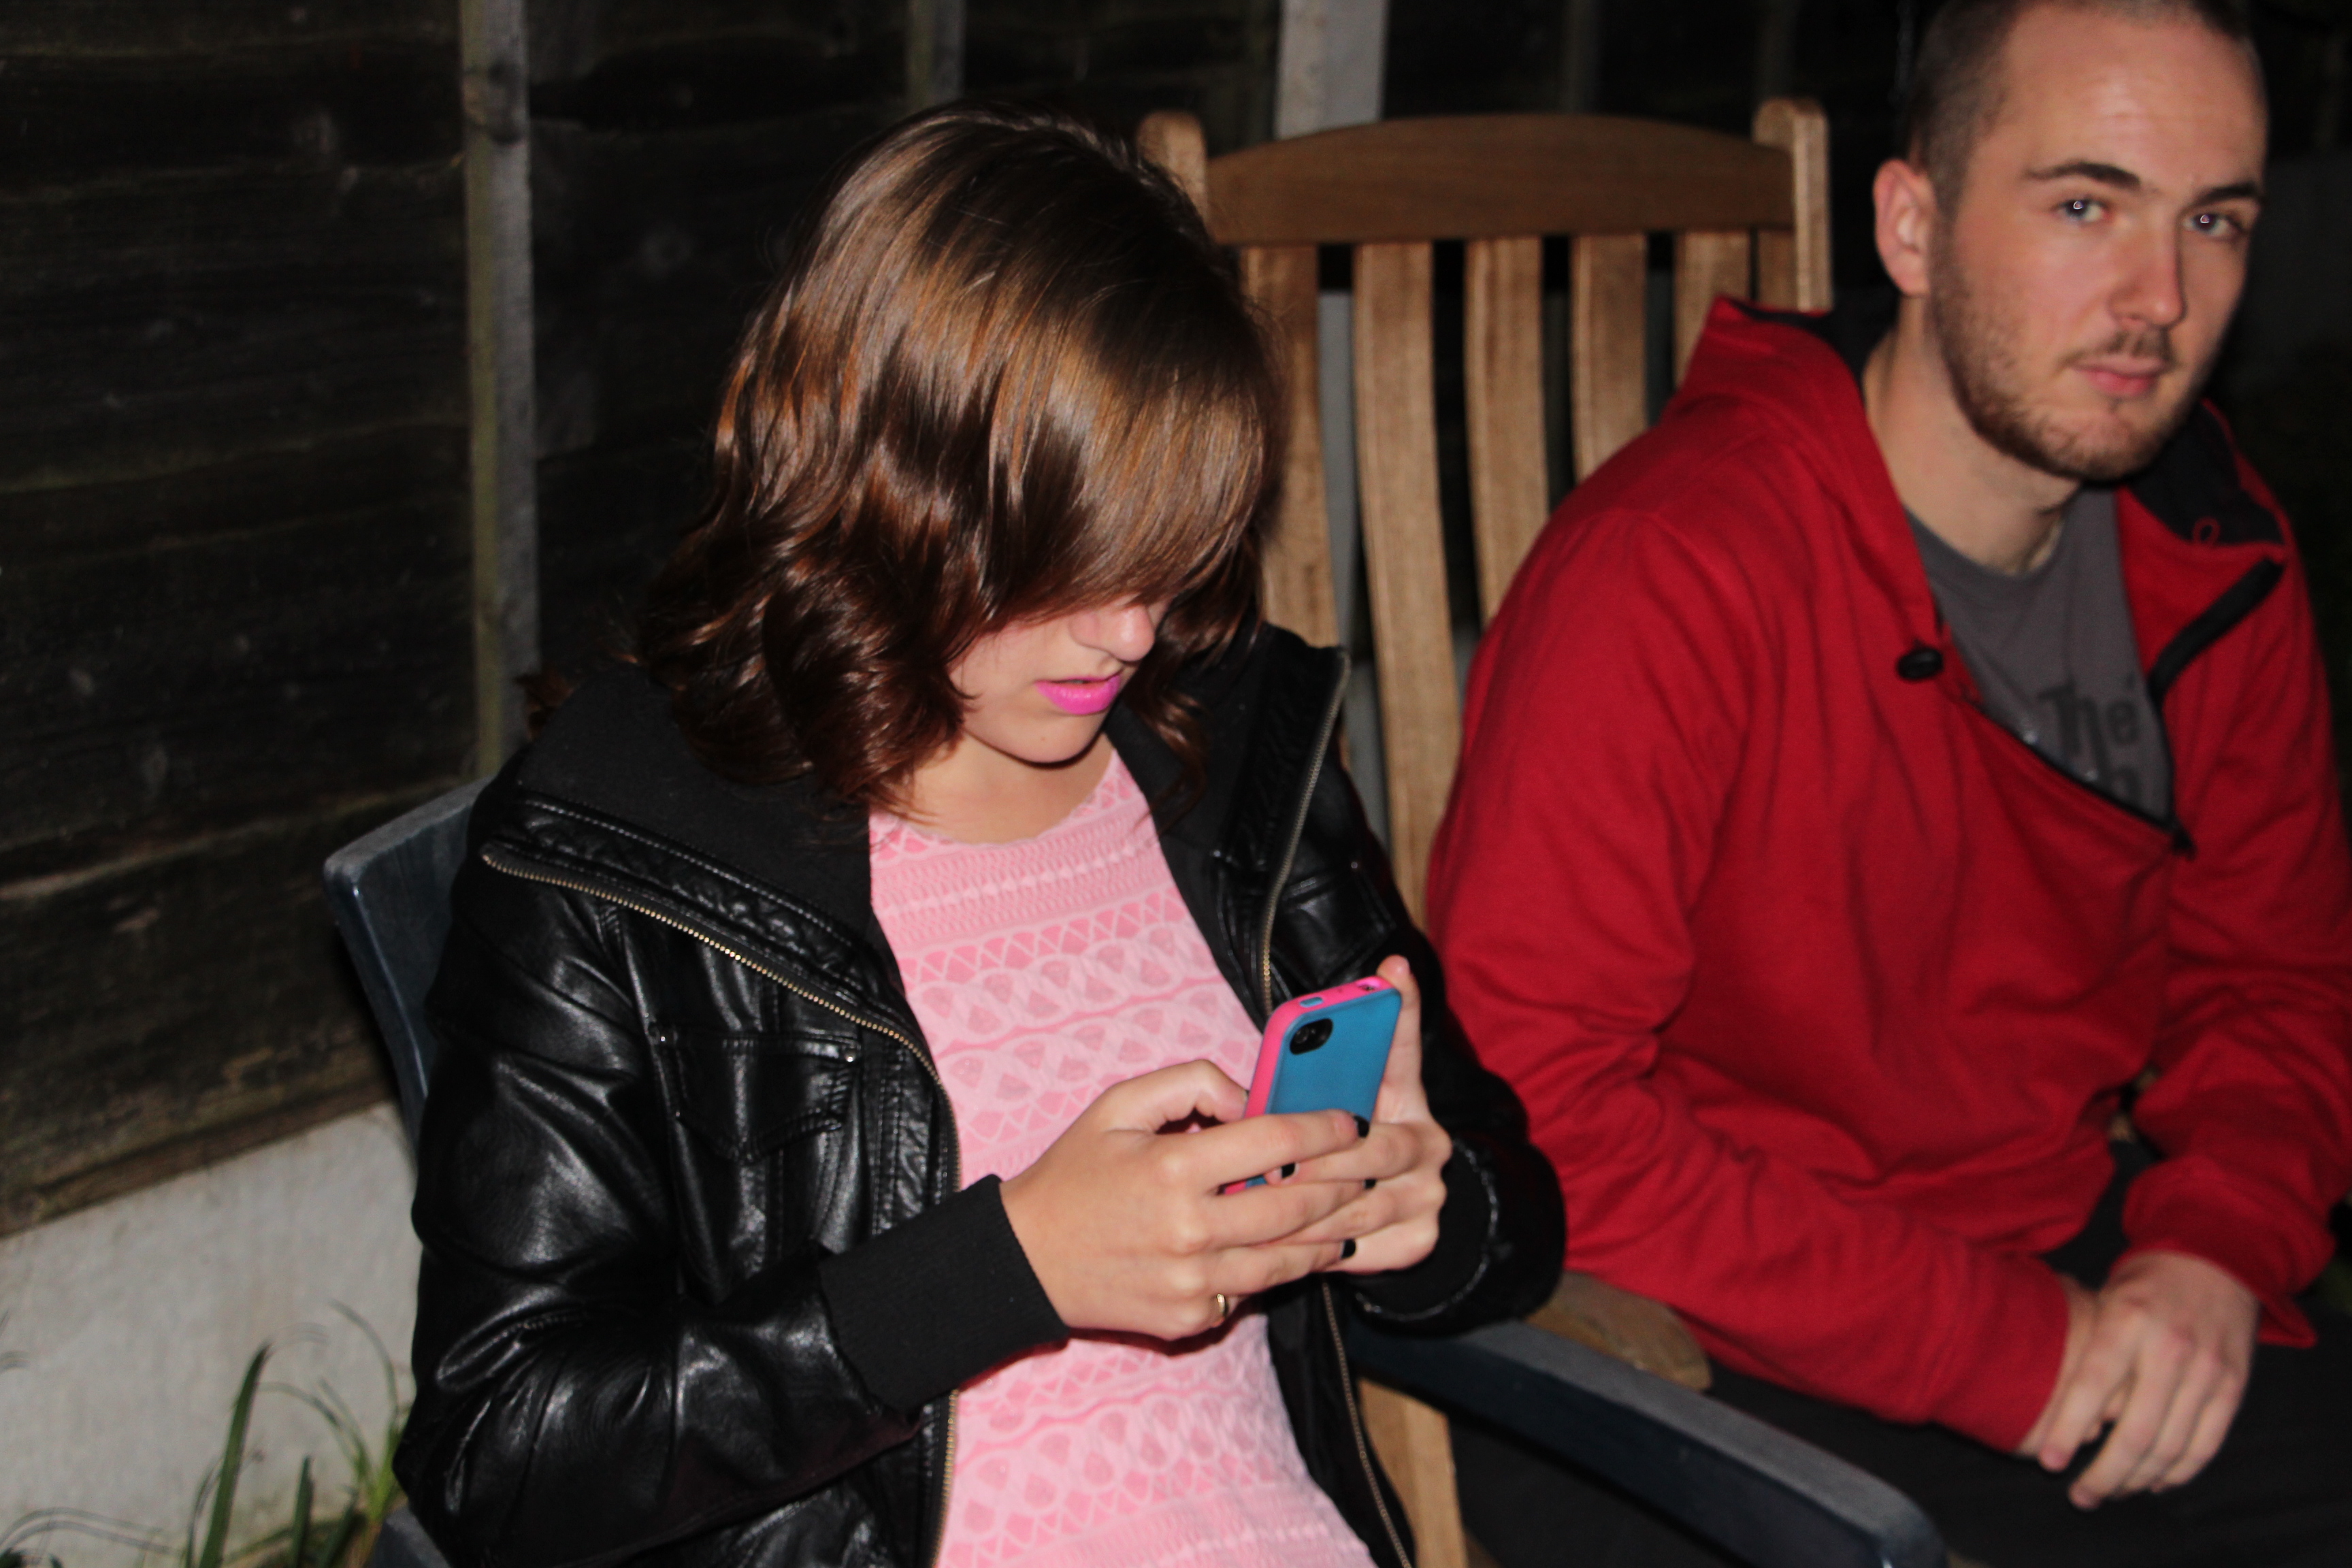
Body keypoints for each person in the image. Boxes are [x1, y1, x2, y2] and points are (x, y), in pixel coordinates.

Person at [391, 103, 1562, 1568]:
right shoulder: (627, 844)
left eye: (1169, 551)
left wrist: (1423, 1214)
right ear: (887, 483)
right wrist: (1004, 1271)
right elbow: (503, 1456)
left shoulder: (1237, 760)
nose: (1130, 630)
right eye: (1070, 559)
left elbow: (1515, 1205)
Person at [1426, 0, 2352, 1563]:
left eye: (2214, 221)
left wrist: (2212, 1251)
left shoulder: (2214, 557)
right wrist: (2012, 1353)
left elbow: (2276, 988)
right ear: (1912, 225)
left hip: (2074, 1269)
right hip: (1688, 1322)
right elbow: (1540, 1111)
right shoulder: (1671, 571)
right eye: (2086, 206)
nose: (2161, 298)